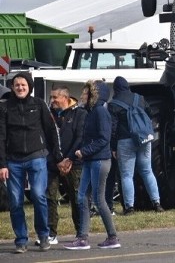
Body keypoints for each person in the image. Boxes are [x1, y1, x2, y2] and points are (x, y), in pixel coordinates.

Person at [0, 72, 64, 253]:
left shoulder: (39, 105)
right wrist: (2, 164)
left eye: (23, 85)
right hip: (13, 161)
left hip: (37, 157)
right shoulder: (5, 107)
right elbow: (1, 136)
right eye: (17, 85)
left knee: (38, 195)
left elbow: (51, 130)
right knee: (15, 201)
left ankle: (44, 235)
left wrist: (57, 156)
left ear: (29, 87)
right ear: (12, 87)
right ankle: (21, 239)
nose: (20, 88)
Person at [64, 80, 120, 250]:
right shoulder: (91, 112)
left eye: (86, 93)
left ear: (94, 96)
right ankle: (82, 238)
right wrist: (73, 156)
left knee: (98, 199)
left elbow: (104, 138)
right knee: (82, 198)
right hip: (90, 161)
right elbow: (86, 138)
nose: (82, 96)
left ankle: (112, 237)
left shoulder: (100, 112)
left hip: (99, 161)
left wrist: (85, 151)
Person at [108, 76, 164, 215]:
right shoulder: (139, 98)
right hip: (143, 138)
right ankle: (157, 203)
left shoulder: (113, 104)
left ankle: (129, 207)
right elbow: (150, 114)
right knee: (147, 170)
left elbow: (113, 128)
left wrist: (113, 147)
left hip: (124, 141)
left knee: (127, 175)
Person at [39, 86, 86, 247]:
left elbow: (80, 137)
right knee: (49, 197)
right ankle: (51, 233)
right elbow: (46, 139)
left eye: (54, 98)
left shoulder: (80, 113)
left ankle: (81, 232)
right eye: (51, 98)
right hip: (53, 163)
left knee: (76, 198)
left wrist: (69, 158)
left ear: (65, 97)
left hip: (74, 163)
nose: (51, 101)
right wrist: (57, 160)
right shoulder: (49, 115)